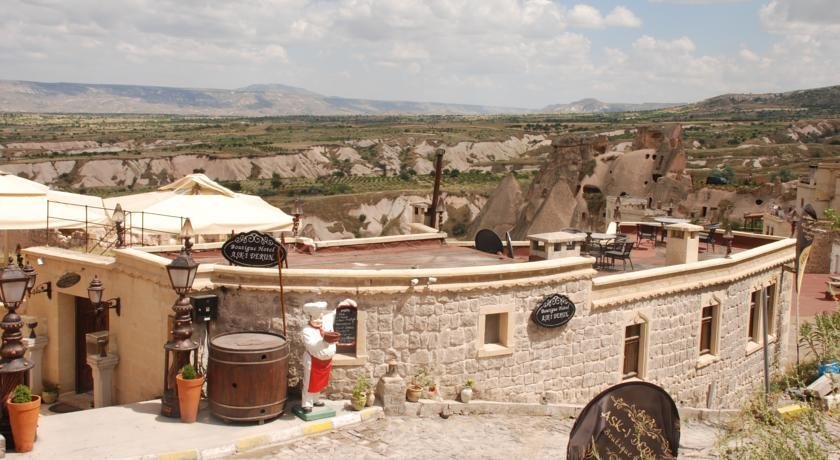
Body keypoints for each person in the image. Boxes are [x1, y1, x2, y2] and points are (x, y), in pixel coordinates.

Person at [301, 301, 337, 413]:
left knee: (320, 382)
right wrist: (324, 340)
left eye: (320, 319)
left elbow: (331, 315)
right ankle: (307, 403)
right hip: (313, 360)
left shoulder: (324, 326)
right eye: (315, 319)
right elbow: (311, 345)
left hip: (325, 361)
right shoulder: (306, 330)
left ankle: (316, 399)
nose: (318, 321)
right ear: (310, 318)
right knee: (309, 381)